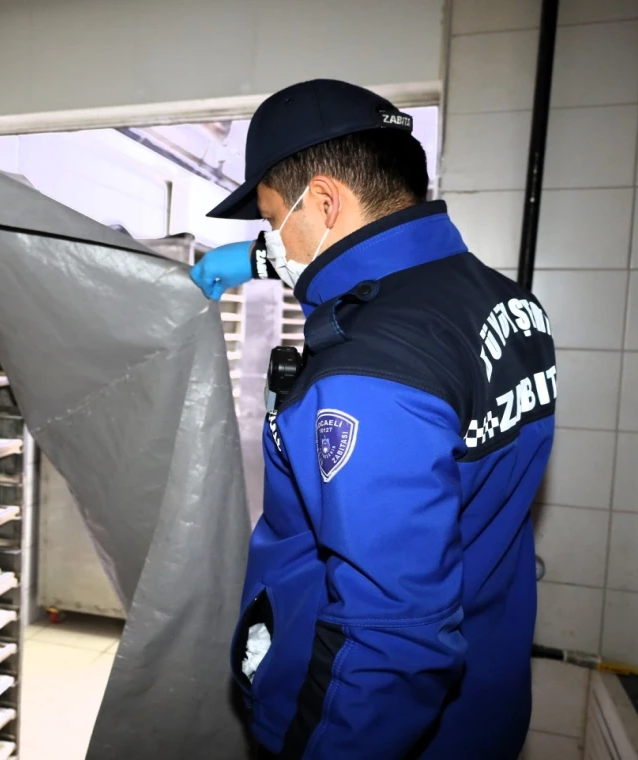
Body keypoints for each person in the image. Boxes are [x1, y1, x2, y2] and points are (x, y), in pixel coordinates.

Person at [191, 79, 557, 759]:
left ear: (325, 201)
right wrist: (255, 260)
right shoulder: (505, 304)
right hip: (481, 704)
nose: (274, 241)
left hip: (364, 725)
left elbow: (393, 635)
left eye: (272, 220)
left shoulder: (367, 371)